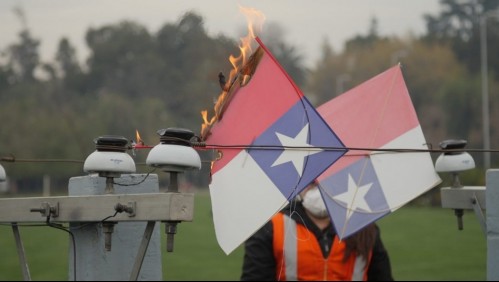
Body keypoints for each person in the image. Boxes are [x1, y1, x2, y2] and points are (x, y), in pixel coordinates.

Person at [240, 181, 394, 281]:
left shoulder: (363, 227)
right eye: (312, 180)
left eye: (325, 176)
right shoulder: (272, 226)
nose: (318, 183)